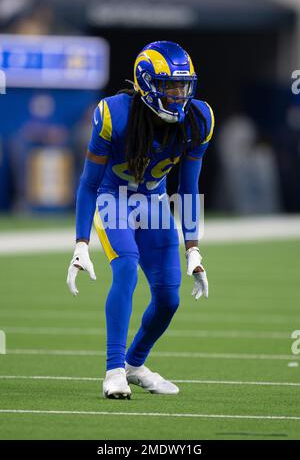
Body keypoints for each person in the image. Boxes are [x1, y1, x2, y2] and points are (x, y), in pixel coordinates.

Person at [67, 41, 214, 399]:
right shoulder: (113, 114)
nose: (179, 95)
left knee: (169, 299)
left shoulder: (199, 119)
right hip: (112, 198)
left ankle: (134, 364)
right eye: (169, 86)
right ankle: (113, 370)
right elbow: (87, 184)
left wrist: (193, 247)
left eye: (184, 86)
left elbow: (190, 188)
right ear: (146, 85)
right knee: (127, 269)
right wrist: (81, 242)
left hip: (154, 201)